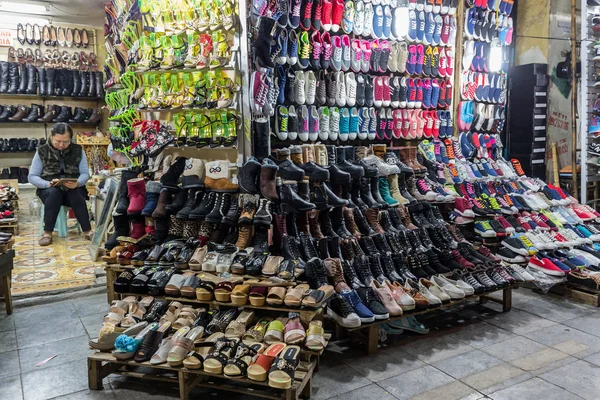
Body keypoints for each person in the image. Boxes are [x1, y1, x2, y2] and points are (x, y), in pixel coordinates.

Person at [28, 123, 93, 246]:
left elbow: (85, 173)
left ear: (71, 139)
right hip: (48, 190)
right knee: (54, 193)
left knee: (76, 194)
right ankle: (47, 233)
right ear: (51, 137)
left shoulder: (78, 150)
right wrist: (48, 184)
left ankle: (88, 231)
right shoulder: (42, 151)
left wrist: (78, 183)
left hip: (72, 188)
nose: (61, 145)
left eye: (66, 142)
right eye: (58, 142)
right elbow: (32, 176)